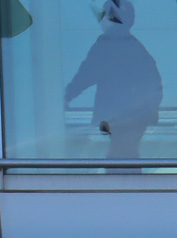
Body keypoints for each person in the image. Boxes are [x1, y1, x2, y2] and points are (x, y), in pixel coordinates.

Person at [64, 0, 164, 161]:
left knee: (119, 157)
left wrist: (67, 96)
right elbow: (155, 84)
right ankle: (129, 184)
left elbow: (87, 73)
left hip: (119, 116)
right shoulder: (136, 47)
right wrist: (149, 111)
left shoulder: (107, 44)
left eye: (104, 15)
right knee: (126, 155)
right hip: (135, 116)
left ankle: (120, 185)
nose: (101, 20)